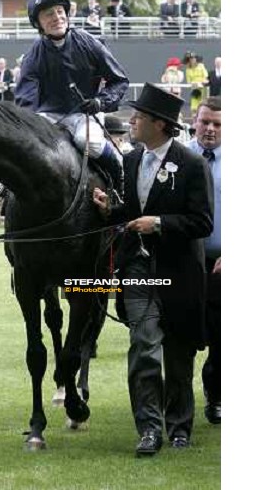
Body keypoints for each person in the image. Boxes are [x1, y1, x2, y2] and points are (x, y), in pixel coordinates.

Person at [93, 83, 213, 457]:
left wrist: (158, 223)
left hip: (179, 273)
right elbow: (130, 214)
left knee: (178, 353)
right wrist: (108, 209)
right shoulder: (129, 160)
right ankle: (148, 429)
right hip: (138, 270)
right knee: (143, 347)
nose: (132, 121)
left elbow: (202, 222)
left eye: (140, 116)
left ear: (160, 124)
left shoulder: (191, 164)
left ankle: (179, 426)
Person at [15, 0, 130, 187]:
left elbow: (119, 80)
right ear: (38, 23)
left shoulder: (88, 41)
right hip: (48, 115)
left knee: (88, 143)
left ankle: (122, 177)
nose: (57, 17)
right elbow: (25, 98)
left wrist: (100, 102)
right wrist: (31, 124)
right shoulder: (34, 53)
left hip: (85, 114)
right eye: (49, 14)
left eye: (60, 11)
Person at [186, 97, 221, 425]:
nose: (210, 129)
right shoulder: (179, 158)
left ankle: (216, 396)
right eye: (205, 122)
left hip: (220, 263)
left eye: (218, 124)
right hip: (182, 261)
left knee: (221, 337)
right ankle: (178, 405)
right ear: (193, 122)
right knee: (183, 335)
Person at [184, 51, 209, 115]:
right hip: (195, 89)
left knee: (204, 106)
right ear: (188, 60)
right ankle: (195, 120)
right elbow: (188, 81)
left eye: (193, 58)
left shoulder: (201, 66)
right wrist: (193, 83)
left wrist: (201, 82)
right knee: (194, 108)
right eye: (190, 59)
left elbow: (206, 76)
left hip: (203, 88)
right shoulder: (187, 69)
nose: (192, 60)